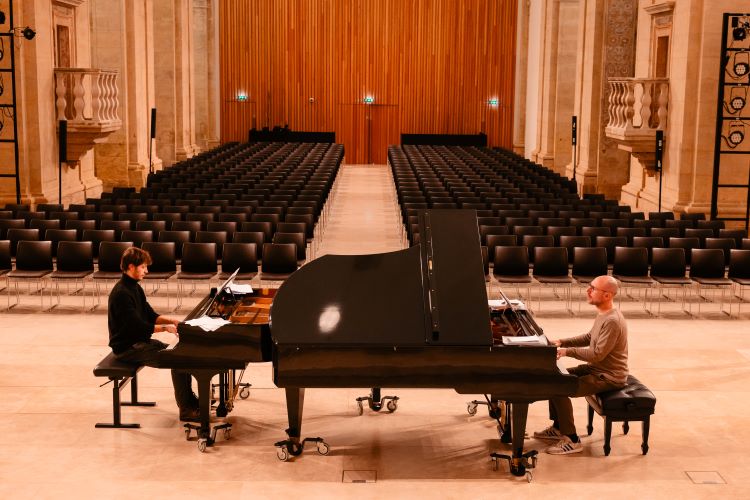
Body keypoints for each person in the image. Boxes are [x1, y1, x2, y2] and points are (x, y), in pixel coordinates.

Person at [534, 275, 628, 455]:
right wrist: (562, 342)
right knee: (552, 378)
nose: (588, 290)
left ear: (607, 295)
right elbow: (588, 337)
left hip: (608, 377)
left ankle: (572, 439)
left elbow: (597, 354)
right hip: (596, 369)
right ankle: (559, 428)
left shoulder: (613, 321)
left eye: (593, 288)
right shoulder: (605, 314)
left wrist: (568, 352)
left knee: (559, 386)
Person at [108, 247, 199, 422]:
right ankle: (186, 409)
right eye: (143, 267)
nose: (146, 271)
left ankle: (191, 401)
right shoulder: (121, 294)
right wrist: (165, 328)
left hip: (138, 342)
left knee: (181, 353)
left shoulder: (134, 287)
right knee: (176, 359)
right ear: (131, 267)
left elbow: (149, 314)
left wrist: (171, 321)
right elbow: (138, 327)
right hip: (127, 348)